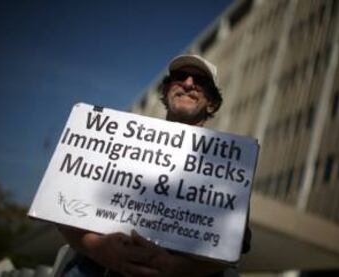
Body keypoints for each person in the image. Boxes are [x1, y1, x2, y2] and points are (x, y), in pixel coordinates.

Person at [58, 54, 251, 277]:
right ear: (165, 92)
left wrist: (175, 269)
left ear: (212, 103)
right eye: (180, 77)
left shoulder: (229, 164)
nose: (188, 84)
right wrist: (96, 248)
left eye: (200, 82)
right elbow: (61, 205)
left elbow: (232, 247)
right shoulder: (114, 139)